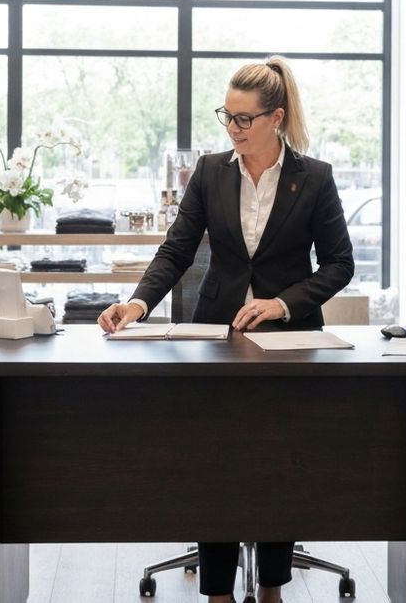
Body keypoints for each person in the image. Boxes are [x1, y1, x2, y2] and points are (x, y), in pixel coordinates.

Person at [98, 55, 355, 603]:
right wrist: (138, 304)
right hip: (216, 336)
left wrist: (282, 303)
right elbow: (177, 250)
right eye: (227, 117)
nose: (232, 129)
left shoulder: (315, 178)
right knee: (211, 462)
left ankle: (271, 588)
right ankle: (216, 593)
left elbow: (338, 264)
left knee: (278, 463)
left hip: (289, 341)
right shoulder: (211, 172)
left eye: (244, 119)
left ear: (276, 117)